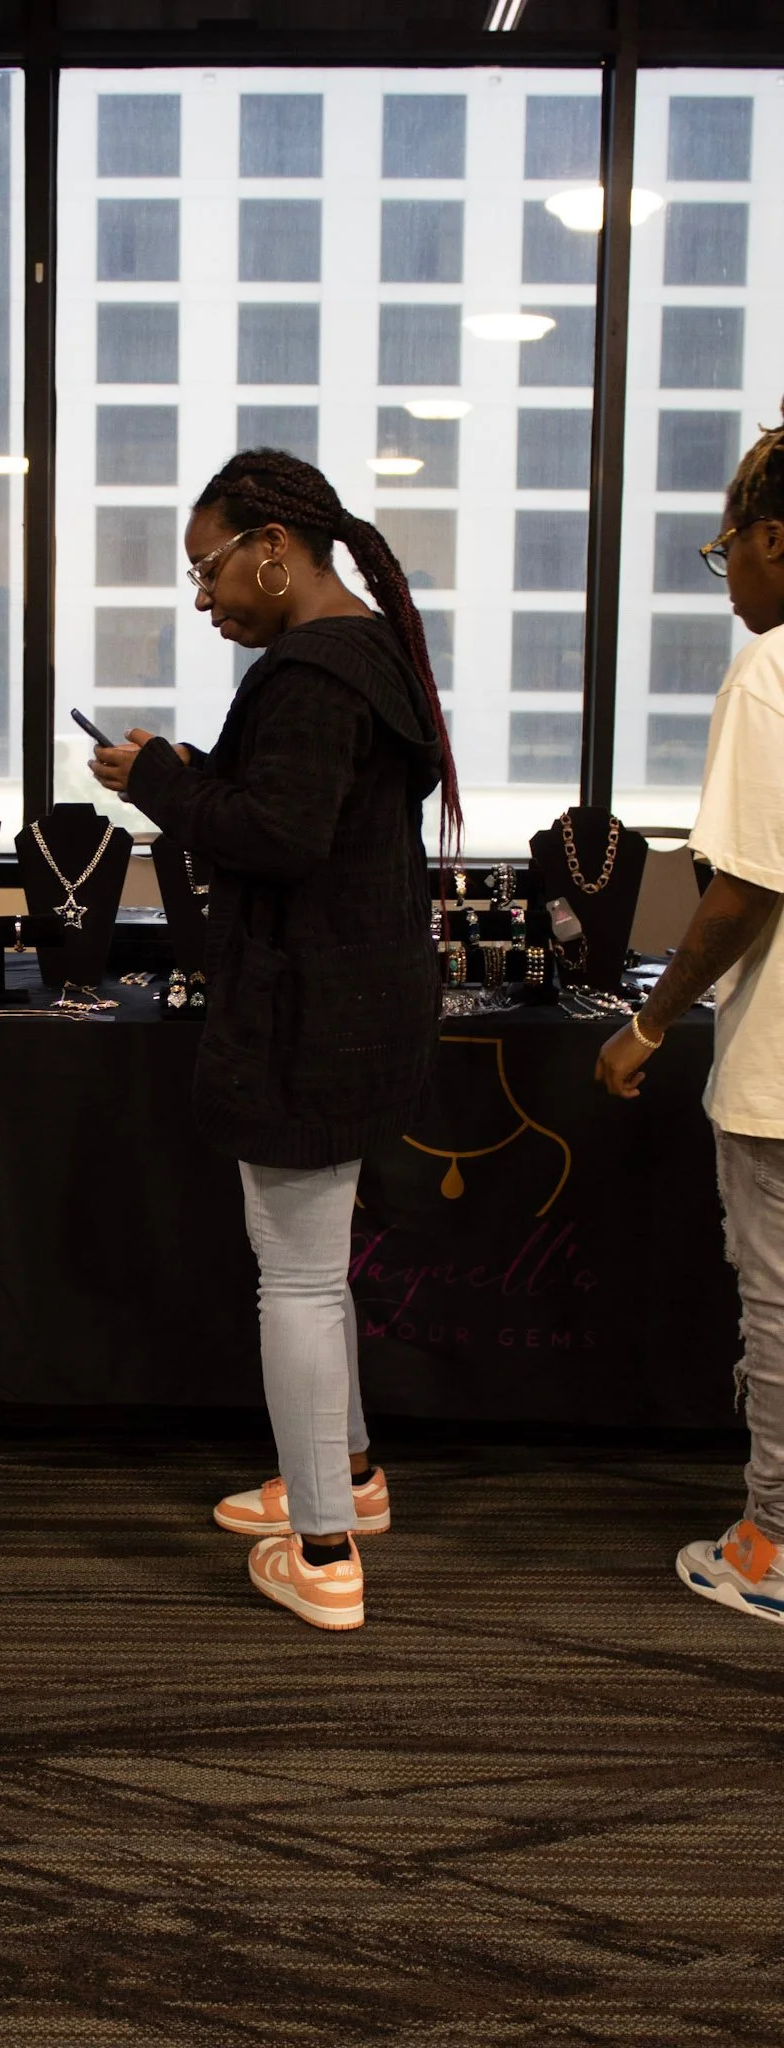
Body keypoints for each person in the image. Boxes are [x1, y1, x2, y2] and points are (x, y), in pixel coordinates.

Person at [91, 448, 459, 1631]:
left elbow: (278, 837)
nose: (203, 598)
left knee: (295, 1273)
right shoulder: (370, 653)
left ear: (273, 548)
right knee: (312, 1257)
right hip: (366, 997)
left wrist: (158, 779)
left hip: (313, 1012)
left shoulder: (310, 668)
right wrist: (200, 775)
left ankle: (323, 1548)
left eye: (207, 570)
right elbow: (314, 814)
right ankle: (346, 1474)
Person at [597, 417, 784, 1626]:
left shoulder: (773, 673)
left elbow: (751, 884)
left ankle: (771, 1544)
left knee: (778, 1301)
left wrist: (650, 1023)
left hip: (783, 1072)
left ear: (775, 537)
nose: (732, 579)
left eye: (728, 554)